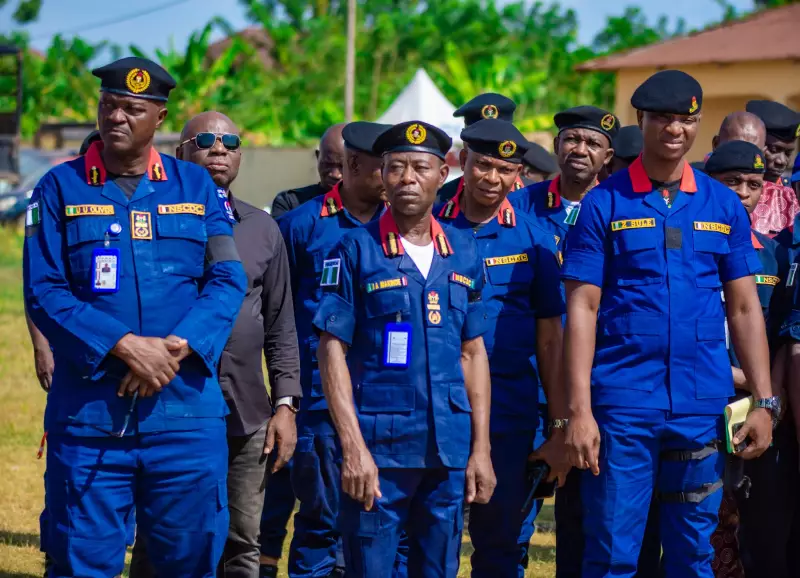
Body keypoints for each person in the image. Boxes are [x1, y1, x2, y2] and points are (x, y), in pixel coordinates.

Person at [23, 56, 247, 577]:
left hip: (185, 415)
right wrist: (125, 345)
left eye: (132, 108)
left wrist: (177, 346)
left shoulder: (195, 187)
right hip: (91, 417)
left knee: (189, 561)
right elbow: (43, 289)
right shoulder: (58, 189)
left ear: (160, 118)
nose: (117, 117)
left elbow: (228, 277)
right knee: (81, 560)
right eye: (108, 105)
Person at [562, 69, 776, 578]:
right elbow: (581, 310)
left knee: (691, 557)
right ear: (643, 120)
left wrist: (765, 402)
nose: (675, 129)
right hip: (622, 406)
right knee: (612, 553)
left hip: (699, 407)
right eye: (663, 118)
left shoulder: (721, 203)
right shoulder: (604, 203)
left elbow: (744, 308)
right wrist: (579, 412)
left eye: (687, 119)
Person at [313, 120, 496, 578]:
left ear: (443, 173)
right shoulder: (353, 250)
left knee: (438, 569)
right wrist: (353, 448)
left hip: (447, 451)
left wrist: (481, 449)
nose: (407, 178)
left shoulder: (464, 251)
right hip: (380, 450)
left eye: (420, 167)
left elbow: (473, 354)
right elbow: (330, 349)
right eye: (395, 167)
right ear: (382, 175)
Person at [126, 111, 302, 578]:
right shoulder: (157, 217)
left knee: (244, 538)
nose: (218, 149)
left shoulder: (264, 229)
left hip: (246, 411)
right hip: (171, 404)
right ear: (181, 152)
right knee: (162, 533)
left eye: (230, 142)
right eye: (205, 140)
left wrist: (285, 405)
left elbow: (281, 325)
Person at [435, 118, 568, 577]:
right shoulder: (429, 225)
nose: (492, 178)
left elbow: (551, 337)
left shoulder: (535, 239)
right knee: (431, 540)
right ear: (463, 162)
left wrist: (557, 418)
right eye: (483, 165)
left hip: (512, 412)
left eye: (504, 170)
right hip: (438, 408)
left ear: (518, 176)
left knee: (501, 542)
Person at [280, 121, 404, 578]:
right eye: (386, 167)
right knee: (321, 527)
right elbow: (279, 318)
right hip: (320, 406)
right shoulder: (300, 226)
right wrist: (288, 400)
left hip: (392, 403)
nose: (397, 176)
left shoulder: (407, 227)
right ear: (354, 164)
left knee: (390, 525)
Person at [703, 140, 794, 578]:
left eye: (753, 184)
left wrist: (766, 399)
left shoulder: (771, 253)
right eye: (731, 182)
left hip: (751, 410)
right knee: (691, 528)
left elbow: (779, 334)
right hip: (697, 399)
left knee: (756, 531)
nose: (742, 192)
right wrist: (733, 374)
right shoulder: (686, 242)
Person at [437, 93, 519, 204]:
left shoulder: (532, 197)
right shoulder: (441, 199)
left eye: (499, 139)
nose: (489, 148)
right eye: (478, 139)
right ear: (464, 140)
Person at [746, 100, 800, 237]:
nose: (782, 161)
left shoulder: (792, 195)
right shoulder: (724, 186)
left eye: (788, 153)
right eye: (774, 150)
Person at [271, 123, 346, 217]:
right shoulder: (290, 203)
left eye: (342, 166)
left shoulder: (367, 206)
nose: (335, 174)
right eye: (328, 164)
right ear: (318, 157)